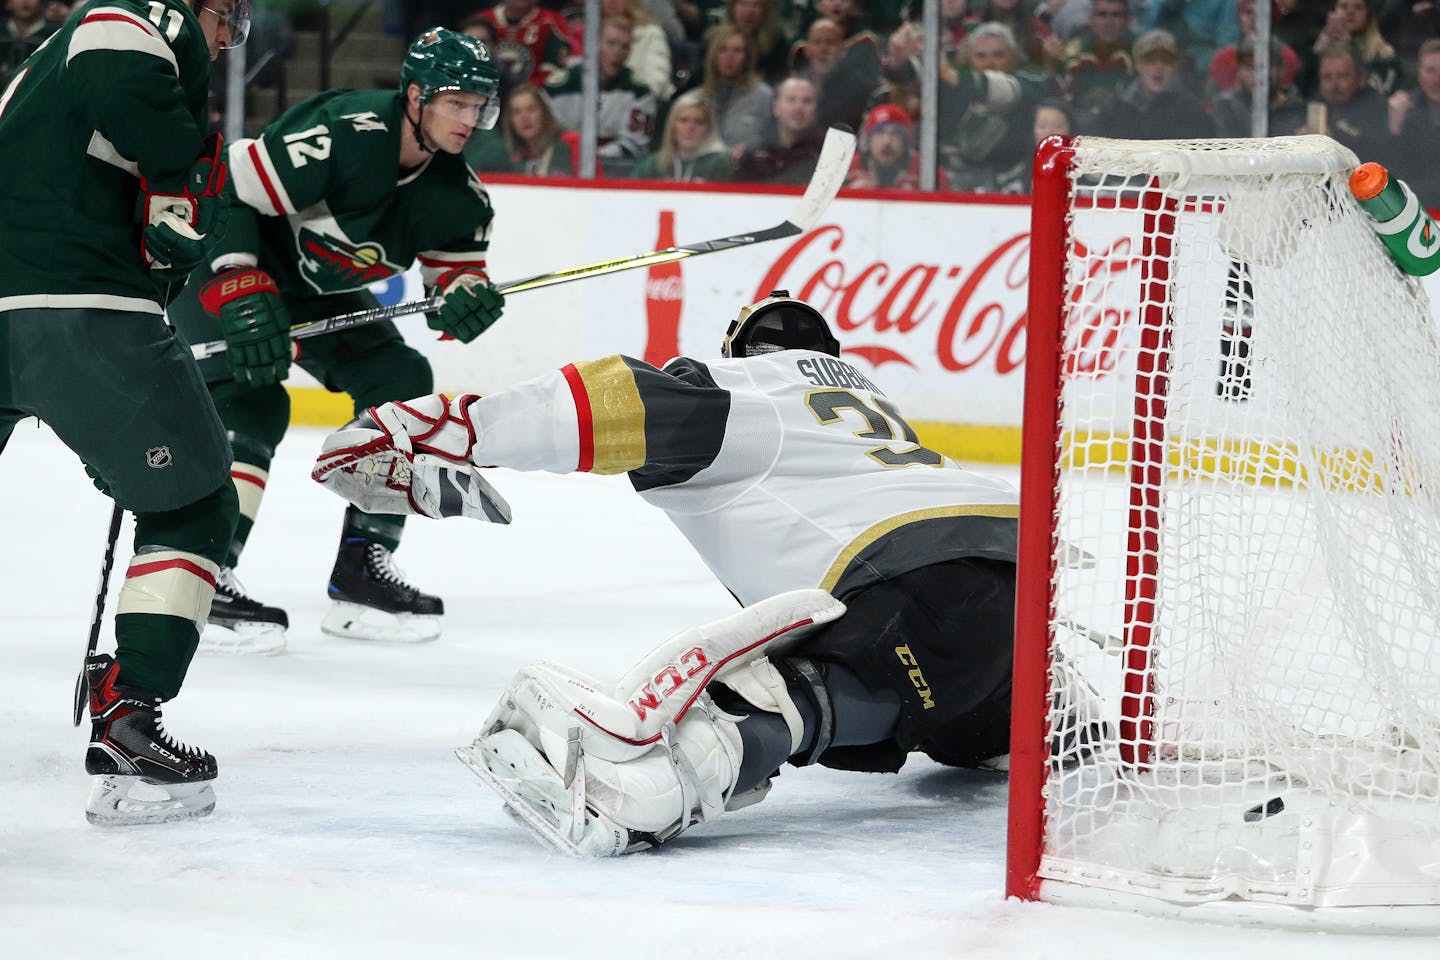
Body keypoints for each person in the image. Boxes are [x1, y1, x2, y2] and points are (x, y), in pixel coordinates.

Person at [310, 291, 1074, 856]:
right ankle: (1066, 723)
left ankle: (670, 777)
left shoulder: (754, 389)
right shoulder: (876, 413)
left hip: (916, 580)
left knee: (788, 693)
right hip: (1027, 598)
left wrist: (447, 430)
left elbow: (615, 402)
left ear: (744, 353)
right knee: (942, 689)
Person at [166, 26, 507, 650]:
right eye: (455, 101)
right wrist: (239, 282)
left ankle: (362, 568)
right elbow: (224, 187)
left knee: (402, 383)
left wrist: (463, 302)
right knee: (255, 399)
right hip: (231, 264)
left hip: (315, 290)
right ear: (414, 95)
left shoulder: (459, 196)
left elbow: (453, 279)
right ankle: (204, 574)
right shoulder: (343, 131)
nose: (469, 117)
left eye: (478, 104)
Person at [0, 0, 251, 824]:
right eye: (229, 20)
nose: (225, 41)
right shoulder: (138, 16)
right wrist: (179, 185)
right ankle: (129, 718)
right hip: (76, 305)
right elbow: (119, 67)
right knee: (195, 506)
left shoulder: (42, 60)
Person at [544, 17, 657, 178]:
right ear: (593, 45)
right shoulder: (558, 87)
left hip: (615, 171)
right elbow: (545, 136)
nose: (618, 52)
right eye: (611, 43)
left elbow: (635, 144)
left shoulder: (639, 91)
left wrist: (594, 156)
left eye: (625, 46)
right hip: (562, 166)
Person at [1089, 28, 1209, 140]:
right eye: (1150, 60)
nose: (1159, 67)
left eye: (1167, 60)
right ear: (1137, 65)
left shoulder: (1192, 112)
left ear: (1175, 66)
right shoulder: (1113, 110)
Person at [698, 24, 773, 161]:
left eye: (737, 50)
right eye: (723, 50)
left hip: (747, 168)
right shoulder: (699, 97)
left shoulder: (764, 96)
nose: (730, 57)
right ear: (713, 55)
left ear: (747, 57)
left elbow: (771, 139)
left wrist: (749, 148)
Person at [736, 74, 825, 184]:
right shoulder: (754, 151)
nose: (798, 108)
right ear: (776, 107)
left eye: (807, 101)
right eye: (791, 100)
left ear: (816, 109)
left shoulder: (828, 153)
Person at [633, 88, 736, 181]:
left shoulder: (720, 164)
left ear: (708, 129)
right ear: (672, 126)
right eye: (683, 120)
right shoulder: (653, 164)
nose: (690, 128)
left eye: (699, 122)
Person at [845, 103, 948, 189]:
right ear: (868, 140)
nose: (887, 141)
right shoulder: (847, 169)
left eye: (895, 134)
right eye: (880, 133)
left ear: (906, 142)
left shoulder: (929, 172)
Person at [500, 81, 575, 175]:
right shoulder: (511, 157)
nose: (524, 118)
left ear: (544, 112)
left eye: (531, 109)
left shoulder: (571, 141)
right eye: (517, 112)